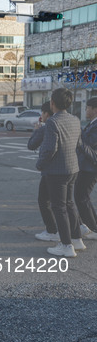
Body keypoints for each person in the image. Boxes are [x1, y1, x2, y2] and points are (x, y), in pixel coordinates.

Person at [37, 88, 85, 257]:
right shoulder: (75, 119)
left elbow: (50, 148)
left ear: (53, 103)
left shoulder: (52, 122)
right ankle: (77, 239)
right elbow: (79, 143)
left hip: (57, 170)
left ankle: (66, 245)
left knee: (59, 207)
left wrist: (40, 164)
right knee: (69, 204)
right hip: (73, 168)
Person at [29, 102, 59, 242]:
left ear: (47, 113)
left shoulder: (47, 127)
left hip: (50, 170)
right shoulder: (72, 121)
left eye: (42, 113)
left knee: (44, 200)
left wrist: (36, 130)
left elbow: (31, 145)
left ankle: (52, 230)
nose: (41, 116)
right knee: (65, 203)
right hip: (69, 169)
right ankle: (74, 232)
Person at [74, 97, 97, 240]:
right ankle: (93, 225)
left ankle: (92, 228)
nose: (86, 110)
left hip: (90, 167)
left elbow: (88, 143)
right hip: (86, 166)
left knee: (80, 196)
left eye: (87, 108)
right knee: (83, 197)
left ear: (95, 110)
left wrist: (78, 136)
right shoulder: (92, 124)